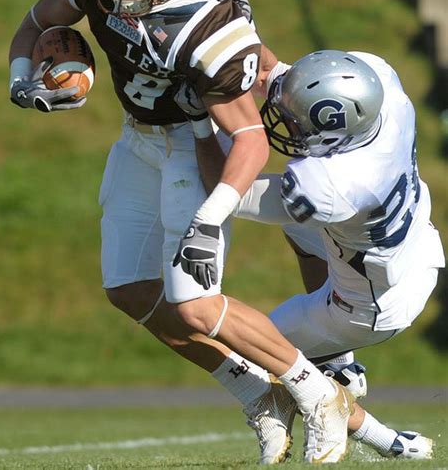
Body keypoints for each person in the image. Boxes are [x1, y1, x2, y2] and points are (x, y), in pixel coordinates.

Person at [8, 0, 356, 465]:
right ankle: (257, 394)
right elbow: (36, 20)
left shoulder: (207, 28)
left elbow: (248, 138)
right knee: (129, 288)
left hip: (195, 147)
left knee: (194, 303)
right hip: (138, 138)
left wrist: (210, 215)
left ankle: (319, 395)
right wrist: (25, 80)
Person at [182, 48, 444, 460]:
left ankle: (381, 434)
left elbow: (226, 186)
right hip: (416, 246)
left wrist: (199, 121)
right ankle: (342, 368)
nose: (287, 125)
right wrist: (231, 30)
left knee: (259, 351)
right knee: (298, 230)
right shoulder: (378, 82)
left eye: (296, 124)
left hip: (367, 308)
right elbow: (272, 71)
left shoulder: (329, 186)